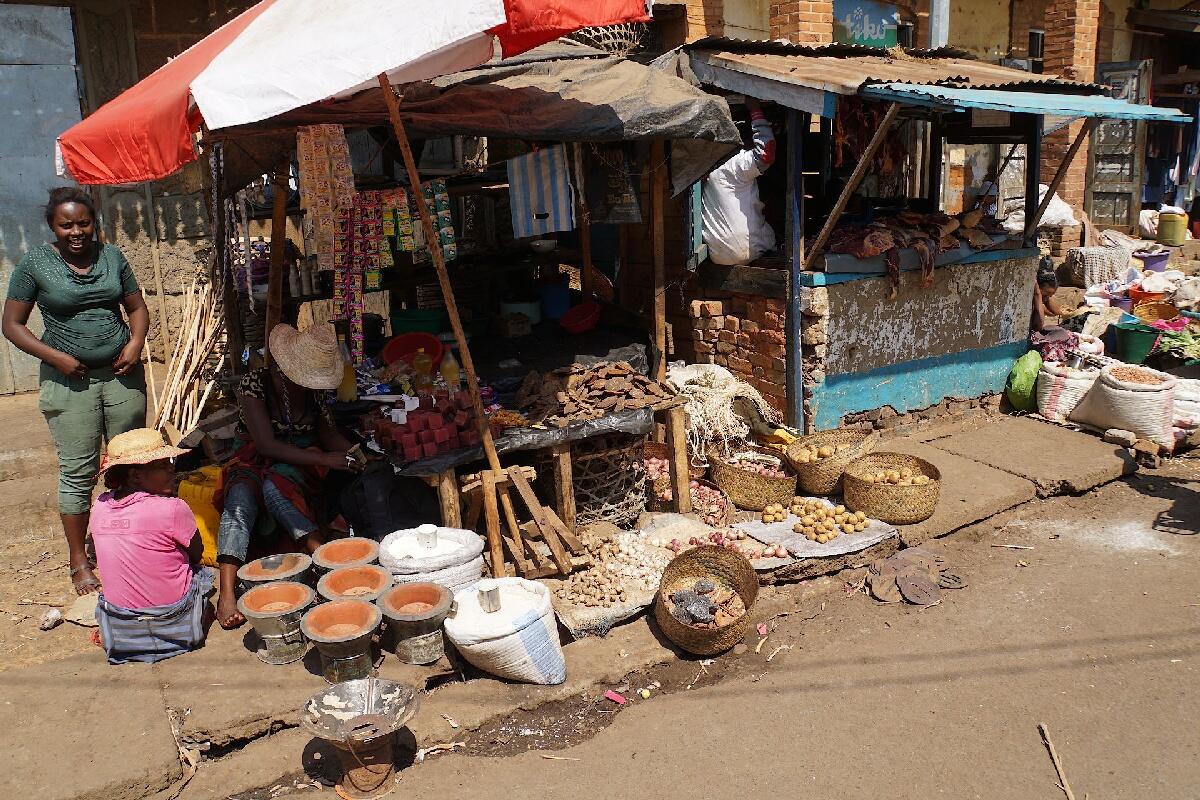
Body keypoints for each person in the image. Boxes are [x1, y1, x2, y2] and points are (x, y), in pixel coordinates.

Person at [2, 187, 149, 597]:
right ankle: (79, 559)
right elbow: (11, 324)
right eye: (66, 225)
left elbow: (137, 307)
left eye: (83, 223)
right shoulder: (35, 264)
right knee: (79, 469)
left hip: (121, 376)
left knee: (130, 460)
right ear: (53, 226)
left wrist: (136, 342)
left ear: (93, 222)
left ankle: (130, 539)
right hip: (68, 383)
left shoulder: (112, 257)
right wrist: (56, 357)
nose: (77, 231)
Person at [215, 323, 361, 629]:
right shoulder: (255, 384)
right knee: (240, 496)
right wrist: (325, 459)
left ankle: (320, 555)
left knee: (276, 487)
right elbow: (267, 445)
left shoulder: (314, 395)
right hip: (255, 455)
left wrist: (355, 454)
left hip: (298, 461)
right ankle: (226, 590)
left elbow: (327, 433)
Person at [90, 428, 212, 664]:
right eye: (162, 465)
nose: (172, 470)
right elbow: (197, 554)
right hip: (172, 619)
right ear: (135, 476)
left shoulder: (100, 506)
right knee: (203, 574)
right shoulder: (172, 508)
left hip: (121, 625)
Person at [701, 98, 777, 265]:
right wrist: (755, 110)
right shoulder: (734, 165)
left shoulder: (705, 167)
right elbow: (766, 154)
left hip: (717, 255)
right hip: (749, 250)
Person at [1032, 261, 1070, 334]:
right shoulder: (1033, 301)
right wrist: (1037, 295)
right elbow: (1038, 326)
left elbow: (1057, 312)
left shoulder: (1043, 300)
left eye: (1050, 296)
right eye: (1045, 295)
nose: (1046, 298)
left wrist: (1047, 298)